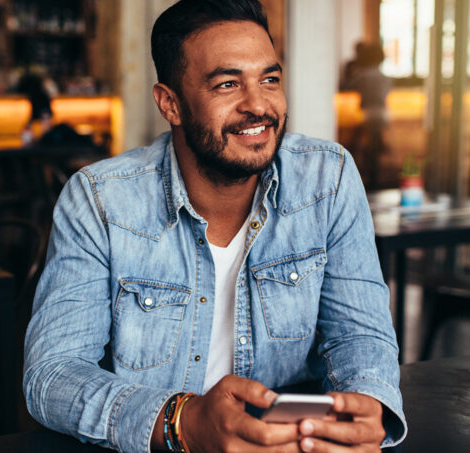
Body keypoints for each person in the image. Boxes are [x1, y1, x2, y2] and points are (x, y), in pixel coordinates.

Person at [23, 1, 406, 452]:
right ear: (171, 104)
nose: (259, 105)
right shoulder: (101, 201)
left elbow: (359, 335)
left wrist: (366, 407)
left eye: (270, 80)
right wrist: (182, 422)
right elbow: (53, 376)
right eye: (227, 84)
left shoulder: (328, 178)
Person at [340, 41, 392, 190]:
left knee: (359, 143)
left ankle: (360, 174)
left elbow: (346, 86)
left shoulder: (362, 75)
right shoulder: (384, 76)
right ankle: (375, 176)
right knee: (374, 144)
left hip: (367, 113)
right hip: (382, 113)